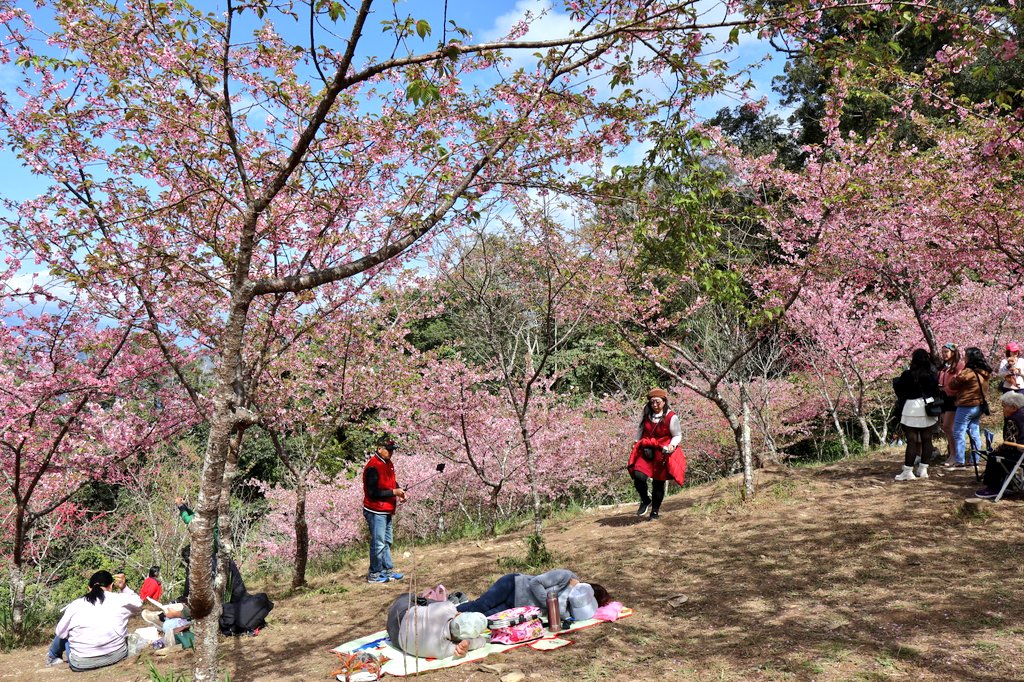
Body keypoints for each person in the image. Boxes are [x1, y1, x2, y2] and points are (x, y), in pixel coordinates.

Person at [46, 570, 142, 671]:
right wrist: (124, 588)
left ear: (89, 588)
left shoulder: (75, 605)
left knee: (65, 631)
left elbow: (60, 633)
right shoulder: (120, 600)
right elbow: (138, 603)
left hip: (81, 664)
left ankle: (52, 657)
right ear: (111, 586)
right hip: (117, 656)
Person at [454, 568, 611, 618]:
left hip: (516, 606)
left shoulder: (573, 605)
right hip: (513, 585)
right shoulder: (566, 576)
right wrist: (550, 603)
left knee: (484, 618)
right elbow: (536, 583)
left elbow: (560, 613)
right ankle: (443, 610)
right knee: (479, 606)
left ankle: (449, 623)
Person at [626, 388, 682, 521]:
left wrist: (672, 445)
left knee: (658, 482)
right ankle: (645, 499)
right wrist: (636, 441)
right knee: (638, 474)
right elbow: (641, 428)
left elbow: (677, 435)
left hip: (662, 452)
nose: (654, 405)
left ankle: (655, 512)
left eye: (657, 402)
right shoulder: (647, 413)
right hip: (646, 449)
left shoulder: (671, 417)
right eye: (652, 402)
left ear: (664, 401)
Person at [386, 593, 488, 659]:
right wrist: (468, 643)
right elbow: (481, 642)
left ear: (458, 615)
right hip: (396, 641)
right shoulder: (444, 650)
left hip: (398, 614)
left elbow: (450, 610)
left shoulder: (447, 608)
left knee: (408, 596)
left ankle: (422, 600)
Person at [892, 348, 941, 481]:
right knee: (927, 439)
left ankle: (908, 471)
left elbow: (899, 389)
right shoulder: (931, 375)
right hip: (927, 407)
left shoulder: (908, 374)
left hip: (911, 408)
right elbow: (936, 392)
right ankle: (923, 469)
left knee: (912, 441)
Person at [363, 436, 406, 583]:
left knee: (387, 541)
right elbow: (373, 493)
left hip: (386, 509)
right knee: (378, 543)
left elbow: (391, 481)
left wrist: (399, 490)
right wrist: (394, 492)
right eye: (388, 450)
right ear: (379, 449)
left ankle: (387, 570)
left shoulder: (388, 463)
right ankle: (374, 574)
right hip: (375, 511)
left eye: (392, 450)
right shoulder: (373, 467)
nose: (391, 453)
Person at [948, 346, 993, 468]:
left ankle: (960, 460)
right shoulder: (984, 372)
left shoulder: (967, 372)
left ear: (970, 358)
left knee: (958, 432)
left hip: (966, 405)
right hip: (979, 405)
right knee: (974, 432)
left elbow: (952, 385)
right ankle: (975, 460)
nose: (964, 358)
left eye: (966, 356)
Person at [975, 392, 1024, 498]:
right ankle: (1009, 485)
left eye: (1004, 406)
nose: (1003, 409)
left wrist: (998, 448)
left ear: (1013, 407)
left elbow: (1010, 442)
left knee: (994, 457)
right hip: (1021, 451)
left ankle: (994, 488)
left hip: (1020, 452)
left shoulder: (1014, 419)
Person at [938, 343, 965, 464]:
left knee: (948, 427)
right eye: (942, 352)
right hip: (944, 397)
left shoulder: (959, 365)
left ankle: (956, 454)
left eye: (946, 352)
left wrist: (947, 388)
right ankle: (953, 454)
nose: (944, 354)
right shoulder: (944, 366)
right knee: (947, 428)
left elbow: (959, 382)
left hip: (953, 398)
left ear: (953, 352)